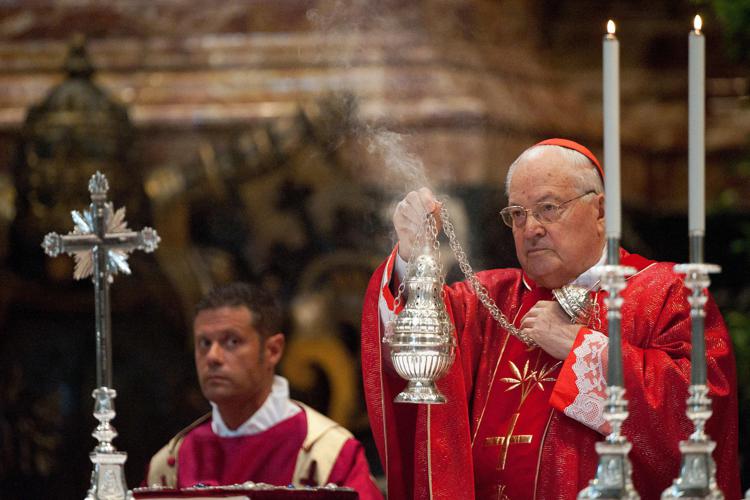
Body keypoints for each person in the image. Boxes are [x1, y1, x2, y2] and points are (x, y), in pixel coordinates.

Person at [360, 139, 740, 499]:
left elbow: (697, 415)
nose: (531, 229)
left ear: (601, 211)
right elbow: (408, 352)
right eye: (518, 214)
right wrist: (413, 258)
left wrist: (582, 349)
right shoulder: (486, 303)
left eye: (548, 208)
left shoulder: (665, 293)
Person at [145, 282, 383, 499]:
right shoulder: (172, 462)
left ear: (273, 350)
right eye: (204, 343)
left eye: (232, 341)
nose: (213, 357)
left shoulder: (328, 454)